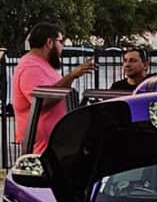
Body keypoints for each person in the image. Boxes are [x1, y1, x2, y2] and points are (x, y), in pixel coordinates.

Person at [12, 22, 95, 154]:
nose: (63, 46)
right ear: (49, 42)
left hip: (53, 142)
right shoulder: (31, 68)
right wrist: (71, 76)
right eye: (61, 41)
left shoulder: (42, 65)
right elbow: (42, 101)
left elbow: (57, 91)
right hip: (42, 148)